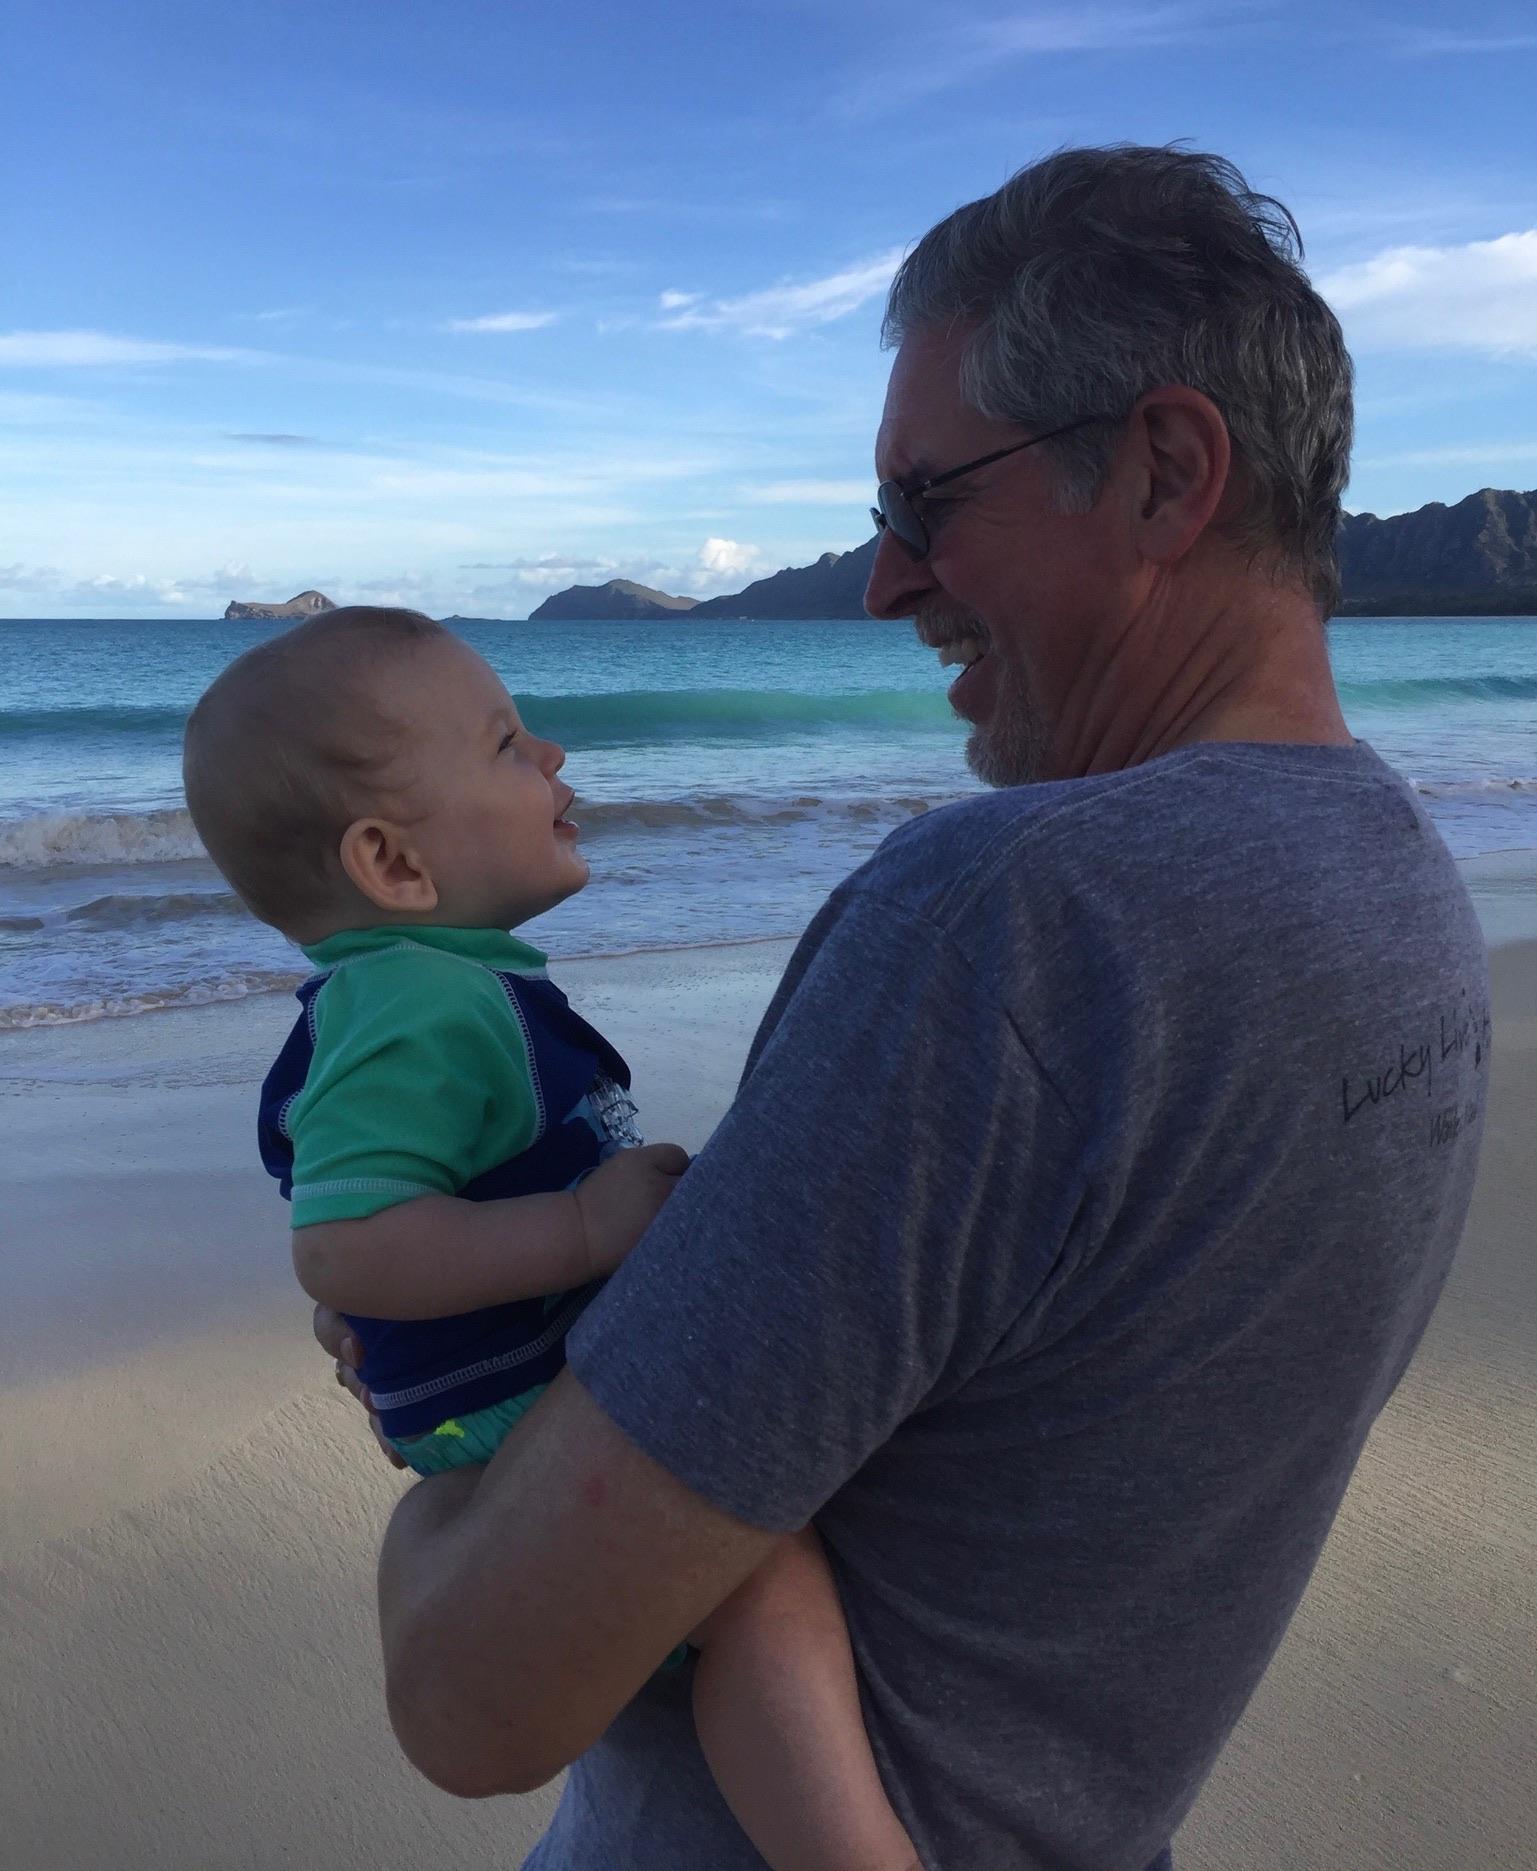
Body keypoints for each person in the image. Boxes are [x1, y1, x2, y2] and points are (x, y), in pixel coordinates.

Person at [320, 147, 1491, 1870]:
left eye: (928, 501)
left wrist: (429, 1461)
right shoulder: (1400, 887)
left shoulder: (1005, 926)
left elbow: (474, 1696)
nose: (882, 583)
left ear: (1164, 473)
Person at [181, 608, 920, 1871]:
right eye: (508, 743)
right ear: (394, 863)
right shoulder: (417, 1001)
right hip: (505, 1393)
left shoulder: (444, 982)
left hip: (508, 1374)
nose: (556, 756)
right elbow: (345, 1244)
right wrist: (581, 1224)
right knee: (765, 1576)